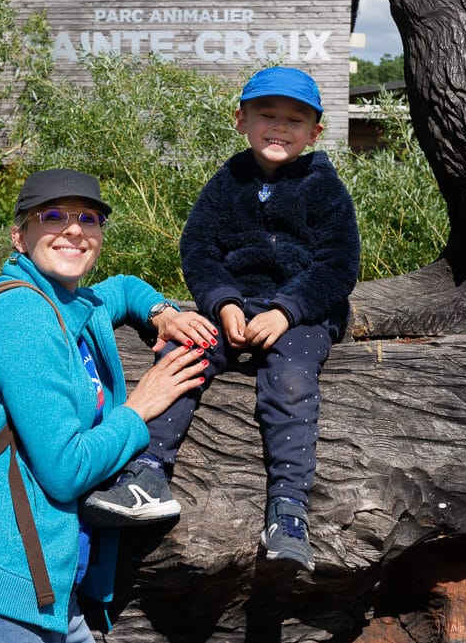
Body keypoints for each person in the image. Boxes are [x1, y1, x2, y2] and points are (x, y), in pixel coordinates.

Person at [83, 67, 361, 572]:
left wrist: (287, 311)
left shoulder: (325, 188)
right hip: (235, 303)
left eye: (294, 120)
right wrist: (223, 302)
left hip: (301, 311)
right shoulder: (227, 181)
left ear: (315, 132)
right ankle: (146, 474)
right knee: (181, 354)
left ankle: (288, 509)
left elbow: (339, 265)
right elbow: (200, 251)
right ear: (241, 120)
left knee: (292, 378)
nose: (279, 128)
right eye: (266, 116)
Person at [0, 167, 218, 643]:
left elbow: (122, 289)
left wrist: (163, 313)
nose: (75, 229)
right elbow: (64, 468)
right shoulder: (22, 315)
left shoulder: (71, 306)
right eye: (53, 215)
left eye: (90, 218)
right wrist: (139, 408)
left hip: (51, 598)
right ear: (20, 236)